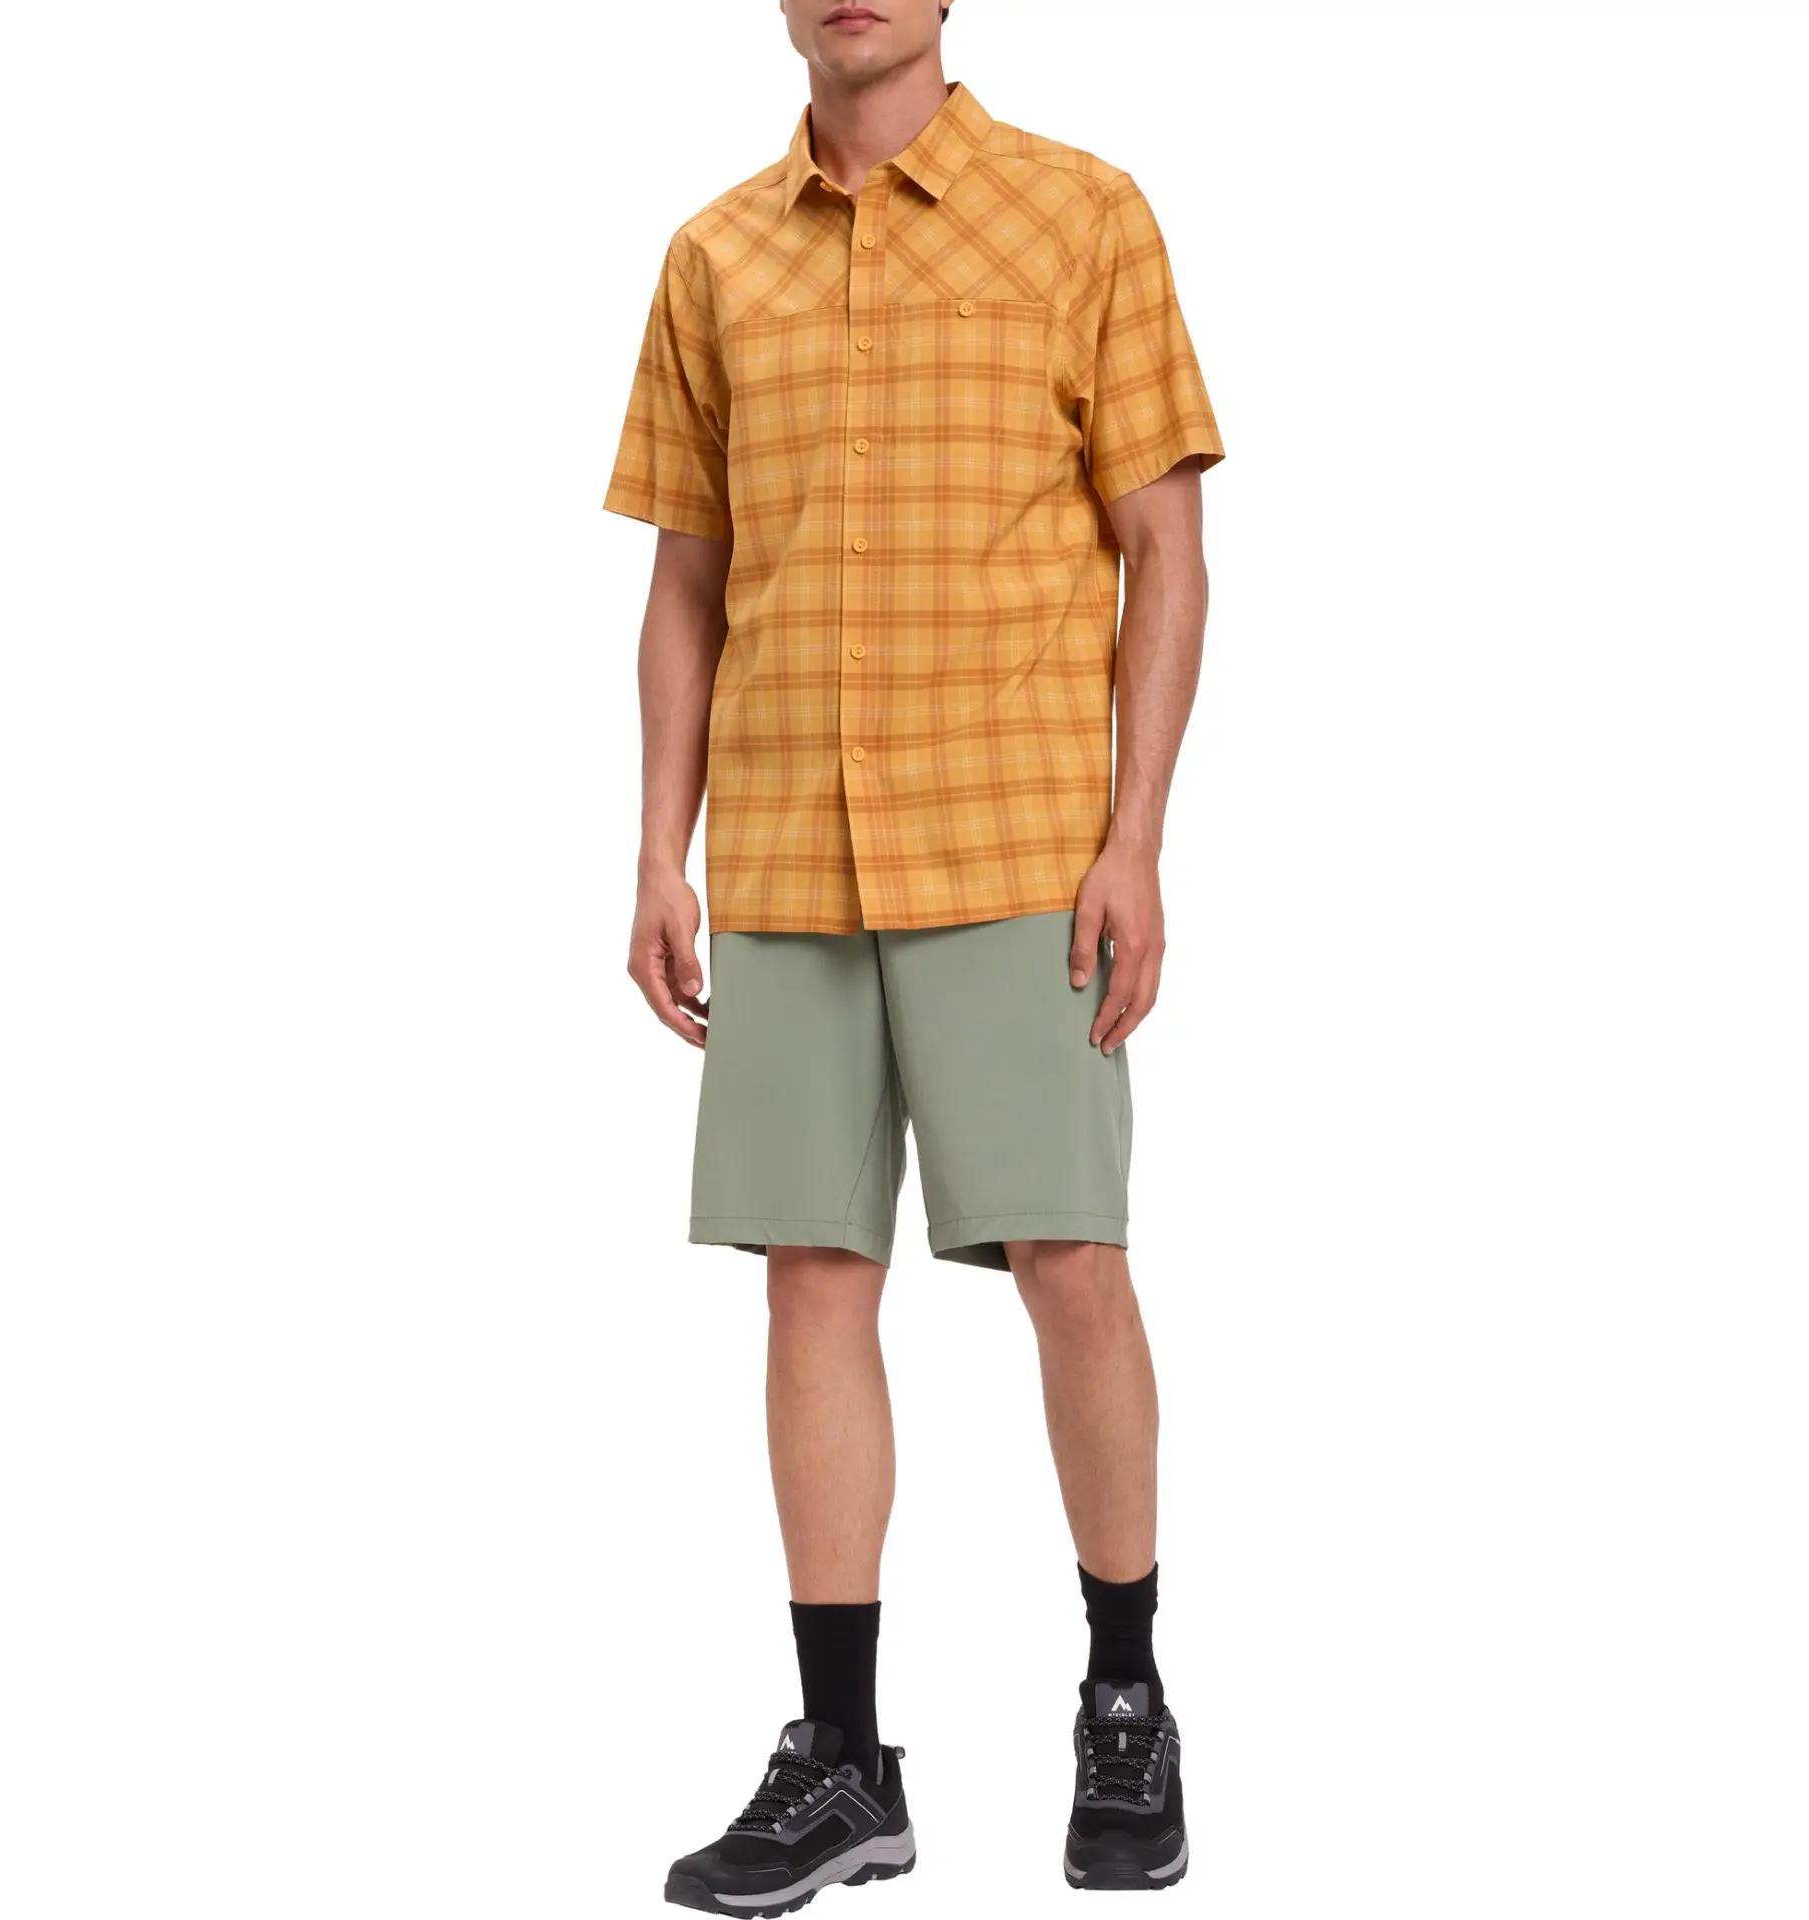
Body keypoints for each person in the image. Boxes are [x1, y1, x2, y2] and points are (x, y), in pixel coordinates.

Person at [605, 3, 1221, 1906]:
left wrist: (1136, 839)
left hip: (1017, 840)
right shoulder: (715, 254)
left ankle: (1125, 1699)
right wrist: (657, 849)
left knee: (1072, 1265)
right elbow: (687, 579)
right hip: (789, 851)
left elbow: (1166, 549)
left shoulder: (1083, 215)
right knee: (809, 1282)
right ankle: (844, 1761)